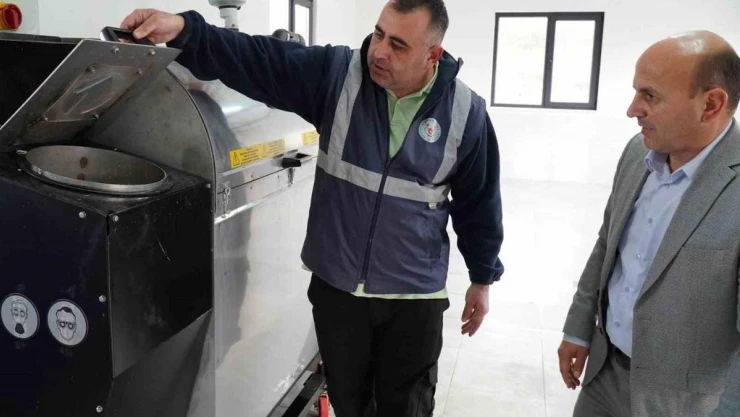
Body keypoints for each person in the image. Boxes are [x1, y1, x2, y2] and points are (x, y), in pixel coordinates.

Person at [121, 1, 505, 415]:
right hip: (338, 291)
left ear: (433, 54)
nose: (379, 51)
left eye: (398, 45)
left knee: (407, 407)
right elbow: (259, 59)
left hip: (412, 296)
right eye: (378, 34)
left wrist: (482, 277)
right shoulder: (339, 77)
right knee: (350, 404)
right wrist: (185, 30)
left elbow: (480, 203)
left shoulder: (465, 113)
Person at [558, 31, 740, 417]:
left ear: (711, 104)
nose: (632, 109)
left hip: (683, 404)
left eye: (650, 96)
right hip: (603, 376)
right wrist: (578, 328)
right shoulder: (636, 153)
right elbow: (607, 245)